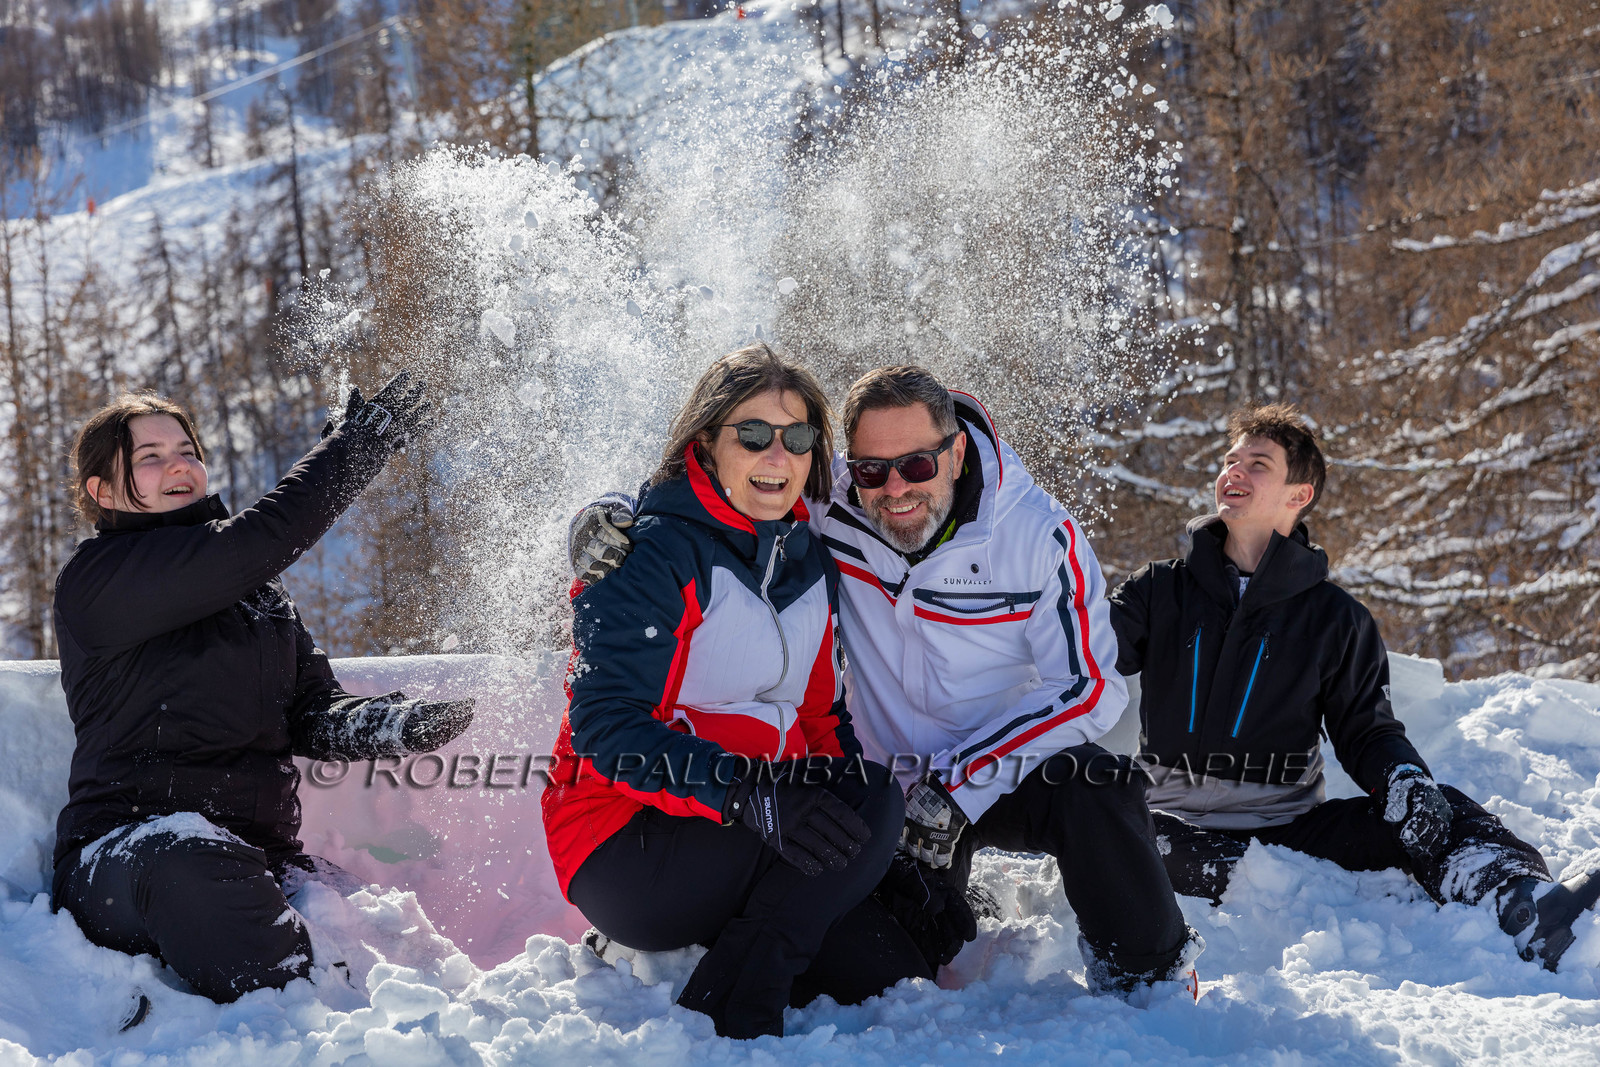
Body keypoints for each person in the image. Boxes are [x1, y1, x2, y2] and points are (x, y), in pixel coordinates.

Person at [570, 363, 1200, 994]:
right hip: (886, 791)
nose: (896, 488)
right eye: (872, 469)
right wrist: (618, 513)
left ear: (956, 453)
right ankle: (689, 939)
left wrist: (959, 787)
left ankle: (1151, 977)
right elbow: (730, 485)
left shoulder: (1037, 534)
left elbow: (1089, 686)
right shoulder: (833, 503)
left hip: (998, 772)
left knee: (1098, 783)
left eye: (918, 465)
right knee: (907, 964)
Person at [1108, 403, 1600, 972]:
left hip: (1284, 833)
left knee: (1440, 811)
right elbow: (1081, 662)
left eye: (1258, 463)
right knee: (1114, 826)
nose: (1233, 471)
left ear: (1299, 494)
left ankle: (1526, 910)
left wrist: (1404, 780)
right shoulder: (1158, 589)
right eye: (1229, 460)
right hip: (1168, 823)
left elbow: (1367, 731)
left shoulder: (1336, 618)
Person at [52, 378, 476, 1004]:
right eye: (151, 456)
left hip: (260, 857)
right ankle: (311, 1017)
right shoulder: (97, 579)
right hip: (128, 854)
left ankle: (383, 1016)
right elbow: (252, 542)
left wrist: (386, 724)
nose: (179, 465)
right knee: (191, 863)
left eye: (187, 451)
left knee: (383, 933)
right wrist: (350, 450)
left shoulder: (255, 592)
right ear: (104, 491)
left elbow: (311, 710)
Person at [541, 344, 921, 1040]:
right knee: (873, 796)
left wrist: (870, 855)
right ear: (706, 441)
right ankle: (731, 1003)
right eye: (752, 434)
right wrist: (747, 792)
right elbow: (606, 728)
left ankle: (733, 951)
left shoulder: (809, 564)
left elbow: (817, 717)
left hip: (752, 825)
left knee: (893, 963)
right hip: (628, 844)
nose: (778, 455)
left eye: (798, 438)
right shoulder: (649, 552)